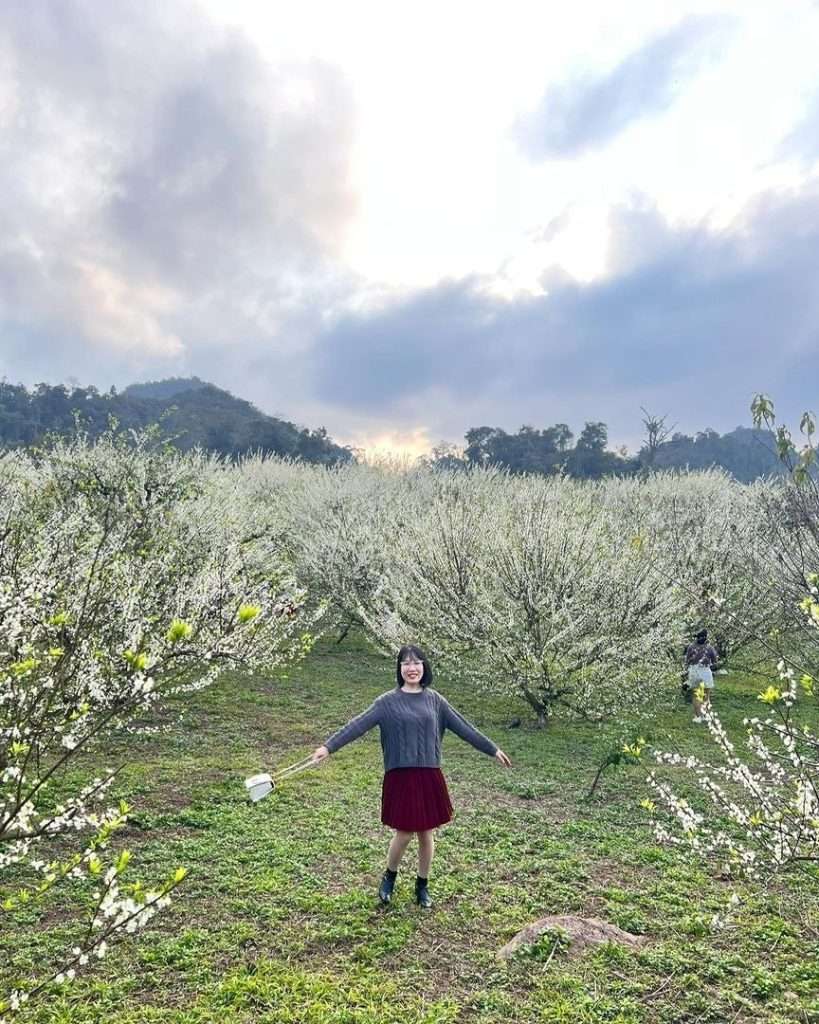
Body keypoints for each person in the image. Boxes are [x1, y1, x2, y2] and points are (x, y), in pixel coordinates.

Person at [311, 644, 512, 909]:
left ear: (424, 667)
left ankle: (422, 885)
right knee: (404, 832)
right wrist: (328, 747)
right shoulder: (386, 702)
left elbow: (464, 727)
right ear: (399, 669)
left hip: (428, 775)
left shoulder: (435, 701)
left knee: (426, 833)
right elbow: (357, 725)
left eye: (417, 662)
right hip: (400, 776)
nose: (412, 667)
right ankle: (390, 876)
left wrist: (492, 749)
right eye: (406, 663)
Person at [683, 628, 718, 721]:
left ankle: (698, 717)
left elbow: (687, 660)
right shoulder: (710, 648)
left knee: (696, 696)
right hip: (706, 671)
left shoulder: (691, 647)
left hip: (694, 671)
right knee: (706, 695)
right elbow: (715, 661)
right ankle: (706, 715)